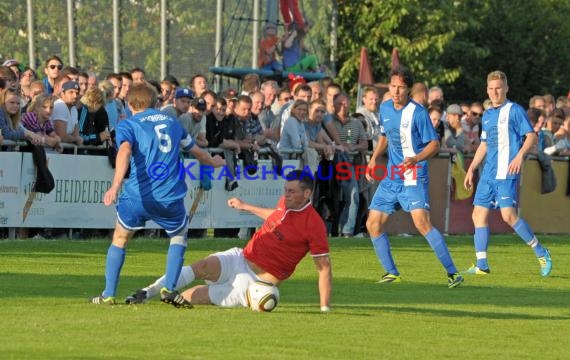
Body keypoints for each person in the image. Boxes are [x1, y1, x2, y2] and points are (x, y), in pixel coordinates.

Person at [90, 83, 225, 306]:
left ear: (130, 104)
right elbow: (198, 152)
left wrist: (115, 186)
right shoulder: (173, 123)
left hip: (137, 195)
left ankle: (108, 294)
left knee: (121, 238)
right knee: (179, 236)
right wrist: (214, 162)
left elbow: (123, 151)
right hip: (169, 196)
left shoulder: (128, 124)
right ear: (155, 103)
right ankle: (169, 289)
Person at [124, 170, 333, 312]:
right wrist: (246, 206)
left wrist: (324, 308)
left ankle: (166, 302)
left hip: (254, 282)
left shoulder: (314, 226)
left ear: (307, 194)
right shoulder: (285, 204)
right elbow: (276, 215)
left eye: (292, 192)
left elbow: (323, 268)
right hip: (240, 258)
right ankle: (147, 292)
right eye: (285, 190)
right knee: (202, 265)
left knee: (193, 297)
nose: (286, 195)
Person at [365, 66, 464, 288]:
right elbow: (384, 136)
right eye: (393, 86)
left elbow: (434, 144)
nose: (396, 91)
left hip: (413, 174)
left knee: (422, 223)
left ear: (409, 90)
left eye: (401, 87)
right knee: (372, 223)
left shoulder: (418, 113)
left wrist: (416, 158)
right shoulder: (385, 108)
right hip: (392, 176)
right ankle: (392, 272)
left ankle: (453, 273)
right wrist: (373, 159)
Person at [463, 70, 552, 277]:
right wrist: (472, 168)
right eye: (491, 89)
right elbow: (484, 144)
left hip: (506, 172)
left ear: (506, 89)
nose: (495, 92)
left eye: (498, 89)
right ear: (487, 89)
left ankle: (541, 252)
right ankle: (482, 265)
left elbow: (531, 137)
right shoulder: (487, 115)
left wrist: (520, 155)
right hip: (488, 174)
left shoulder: (514, 110)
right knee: (478, 214)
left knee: (509, 216)